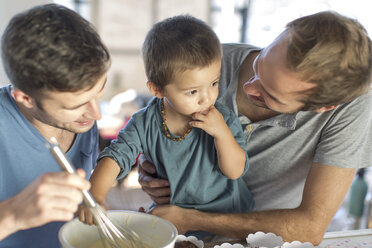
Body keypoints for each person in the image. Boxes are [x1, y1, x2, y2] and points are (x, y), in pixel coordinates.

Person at [138, 11, 372, 245]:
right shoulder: (206, 62)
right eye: (258, 64)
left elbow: (309, 228)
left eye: (269, 95)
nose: (249, 88)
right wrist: (149, 168)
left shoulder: (352, 107)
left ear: (324, 107)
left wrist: (192, 218)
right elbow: (150, 130)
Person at [77, 15, 253, 238]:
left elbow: (235, 171)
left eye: (214, 83)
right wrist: (95, 198)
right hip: (175, 218)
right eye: (192, 91)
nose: (207, 98)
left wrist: (221, 134)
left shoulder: (222, 118)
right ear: (158, 90)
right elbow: (114, 157)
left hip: (227, 221)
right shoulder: (145, 123)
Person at [0, 4, 110, 247]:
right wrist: (12, 214)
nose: (96, 114)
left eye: (99, 91)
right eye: (75, 105)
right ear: (25, 98)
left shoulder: (82, 120)